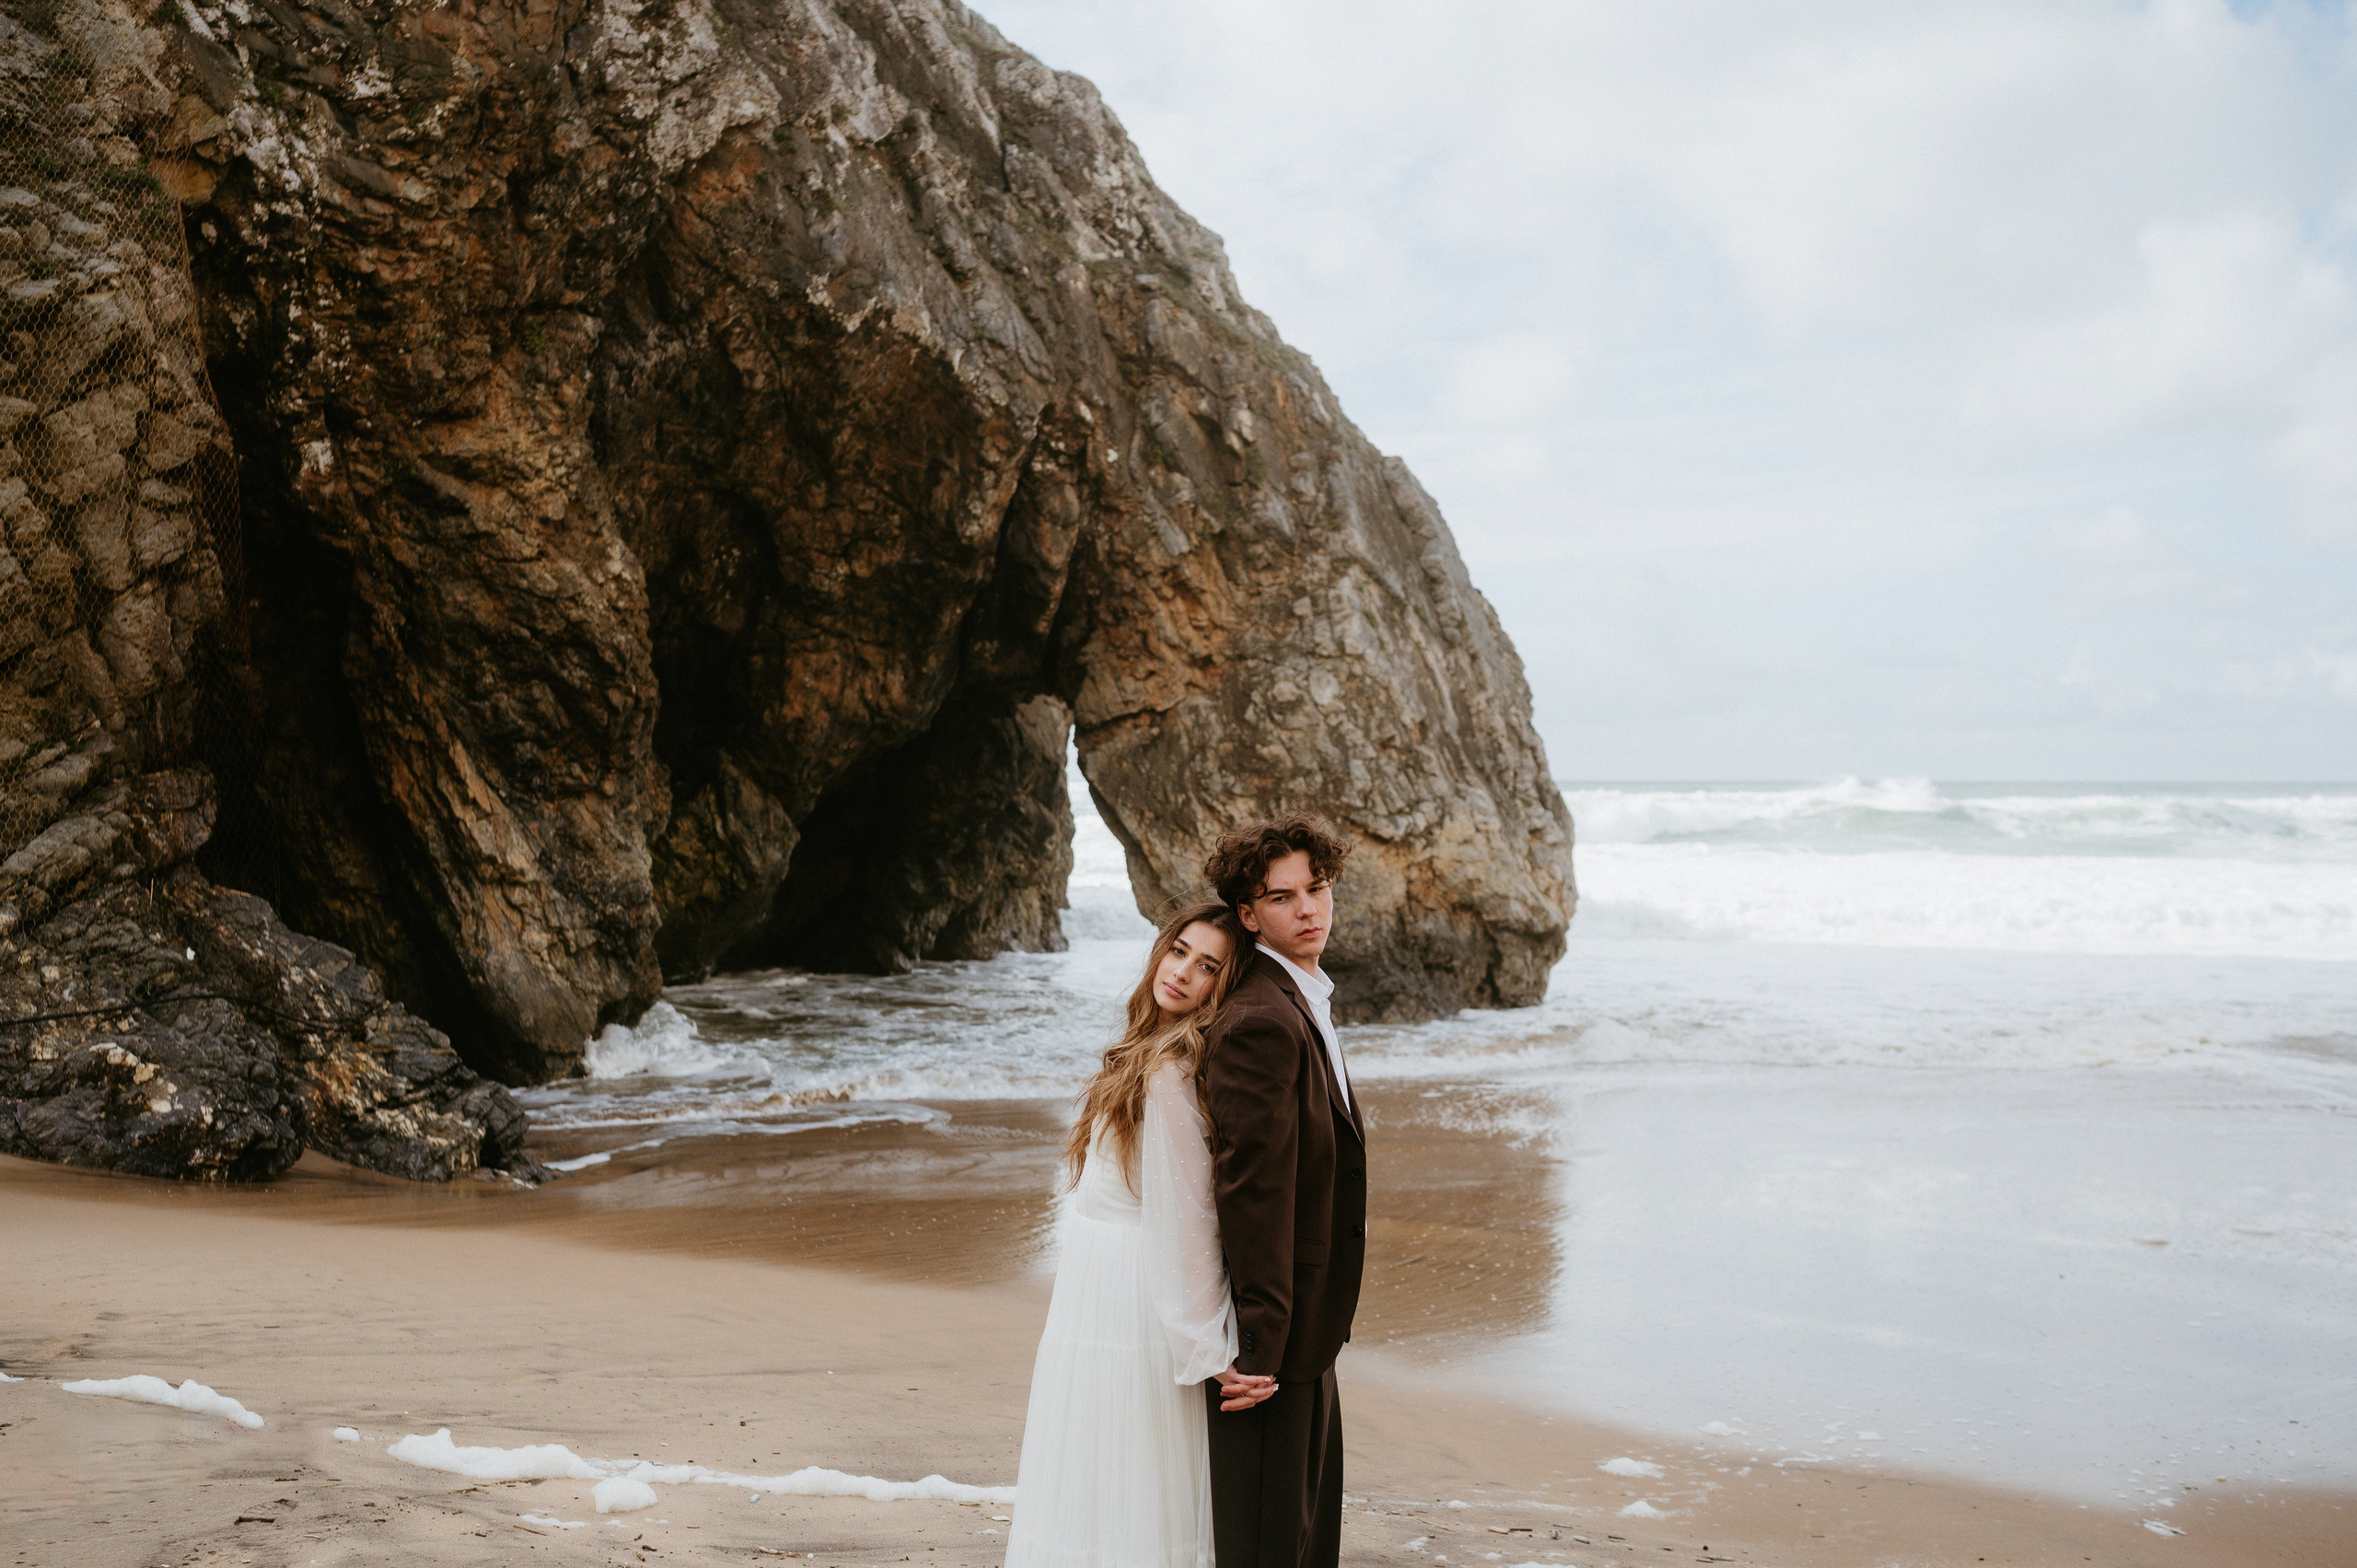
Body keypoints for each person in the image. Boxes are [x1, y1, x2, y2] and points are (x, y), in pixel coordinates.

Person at [1005, 900, 1279, 1568]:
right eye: (1179, 950)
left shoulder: (1170, 1071)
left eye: (1208, 966)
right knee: (1099, 1466)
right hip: (1096, 1281)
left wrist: (1207, 1345)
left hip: (1132, 1289)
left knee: (1124, 1470)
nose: (1182, 972)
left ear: (1225, 984)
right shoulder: (1145, 1051)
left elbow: (1188, 1217)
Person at [1195, 813, 1365, 1568]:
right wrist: (1257, 1347)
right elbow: (1252, 1192)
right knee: (1269, 1546)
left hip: (1308, 1326)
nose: (1308, 909)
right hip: (1274, 1343)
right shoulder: (1261, 1020)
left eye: (1318, 887)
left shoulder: (1302, 1001)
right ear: (1248, 913)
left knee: (1304, 1540)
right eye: (1283, 896)